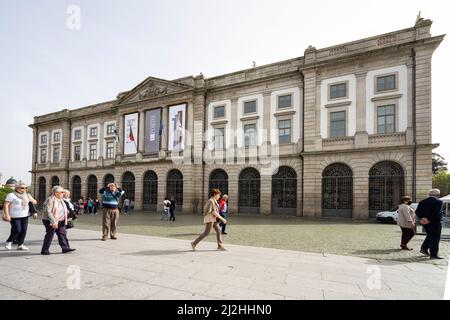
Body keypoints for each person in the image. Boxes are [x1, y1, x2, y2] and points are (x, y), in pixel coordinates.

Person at [41, 186, 76, 255]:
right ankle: (44, 250)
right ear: (56, 193)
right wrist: (53, 222)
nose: (63, 193)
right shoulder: (50, 199)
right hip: (50, 220)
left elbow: (65, 209)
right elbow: (47, 211)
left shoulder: (61, 199)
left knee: (62, 234)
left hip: (60, 220)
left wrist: (68, 216)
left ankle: (65, 248)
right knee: (50, 234)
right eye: (62, 192)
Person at [3, 182, 38, 250]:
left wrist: (33, 200)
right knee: (17, 229)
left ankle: (20, 245)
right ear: (17, 188)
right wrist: (7, 214)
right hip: (14, 216)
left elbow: (35, 202)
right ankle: (9, 241)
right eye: (22, 188)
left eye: (25, 188)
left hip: (25, 215)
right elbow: (6, 205)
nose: (24, 189)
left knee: (23, 230)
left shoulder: (27, 195)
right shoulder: (11, 195)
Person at [415, 189, 444, 259]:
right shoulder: (439, 201)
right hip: (435, 222)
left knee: (430, 236)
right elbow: (436, 212)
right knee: (435, 238)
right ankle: (433, 254)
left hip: (425, 222)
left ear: (429, 194)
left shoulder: (422, 202)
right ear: (438, 195)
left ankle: (424, 249)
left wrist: (422, 218)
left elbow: (417, 211)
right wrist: (429, 219)